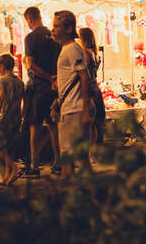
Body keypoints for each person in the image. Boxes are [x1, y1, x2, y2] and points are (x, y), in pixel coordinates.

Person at [52, 10, 93, 179]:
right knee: (83, 158)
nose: (52, 30)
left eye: (56, 26)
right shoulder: (70, 49)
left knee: (67, 159)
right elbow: (78, 75)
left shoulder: (71, 49)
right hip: (73, 108)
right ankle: (94, 194)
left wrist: (84, 110)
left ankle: (66, 194)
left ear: (68, 29)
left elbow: (84, 77)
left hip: (72, 110)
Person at [23, 6, 61, 177]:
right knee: (53, 126)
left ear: (30, 18)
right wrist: (55, 78)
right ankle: (59, 162)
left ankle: (34, 165)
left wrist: (47, 77)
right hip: (53, 89)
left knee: (34, 127)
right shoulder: (54, 36)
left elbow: (30, 64)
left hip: (38, 87)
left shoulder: (31, 38)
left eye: (27, 21)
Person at [0, 54, 25, 186]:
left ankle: (15, 168)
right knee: (7, 147)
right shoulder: (20, 81)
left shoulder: (4, 81)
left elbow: (1, 99)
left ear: (2, 66)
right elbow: (24, 101)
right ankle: (7, 177)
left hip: (5, 117)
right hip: (16, 118)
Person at [78, 27, 106, 162]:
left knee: (87, 124)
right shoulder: (95, 53)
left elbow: (83, 73)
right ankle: (92, 152)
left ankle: (87, 155)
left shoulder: (84, 53)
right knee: (94, 124)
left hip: (88, 88)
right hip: (96, 87)